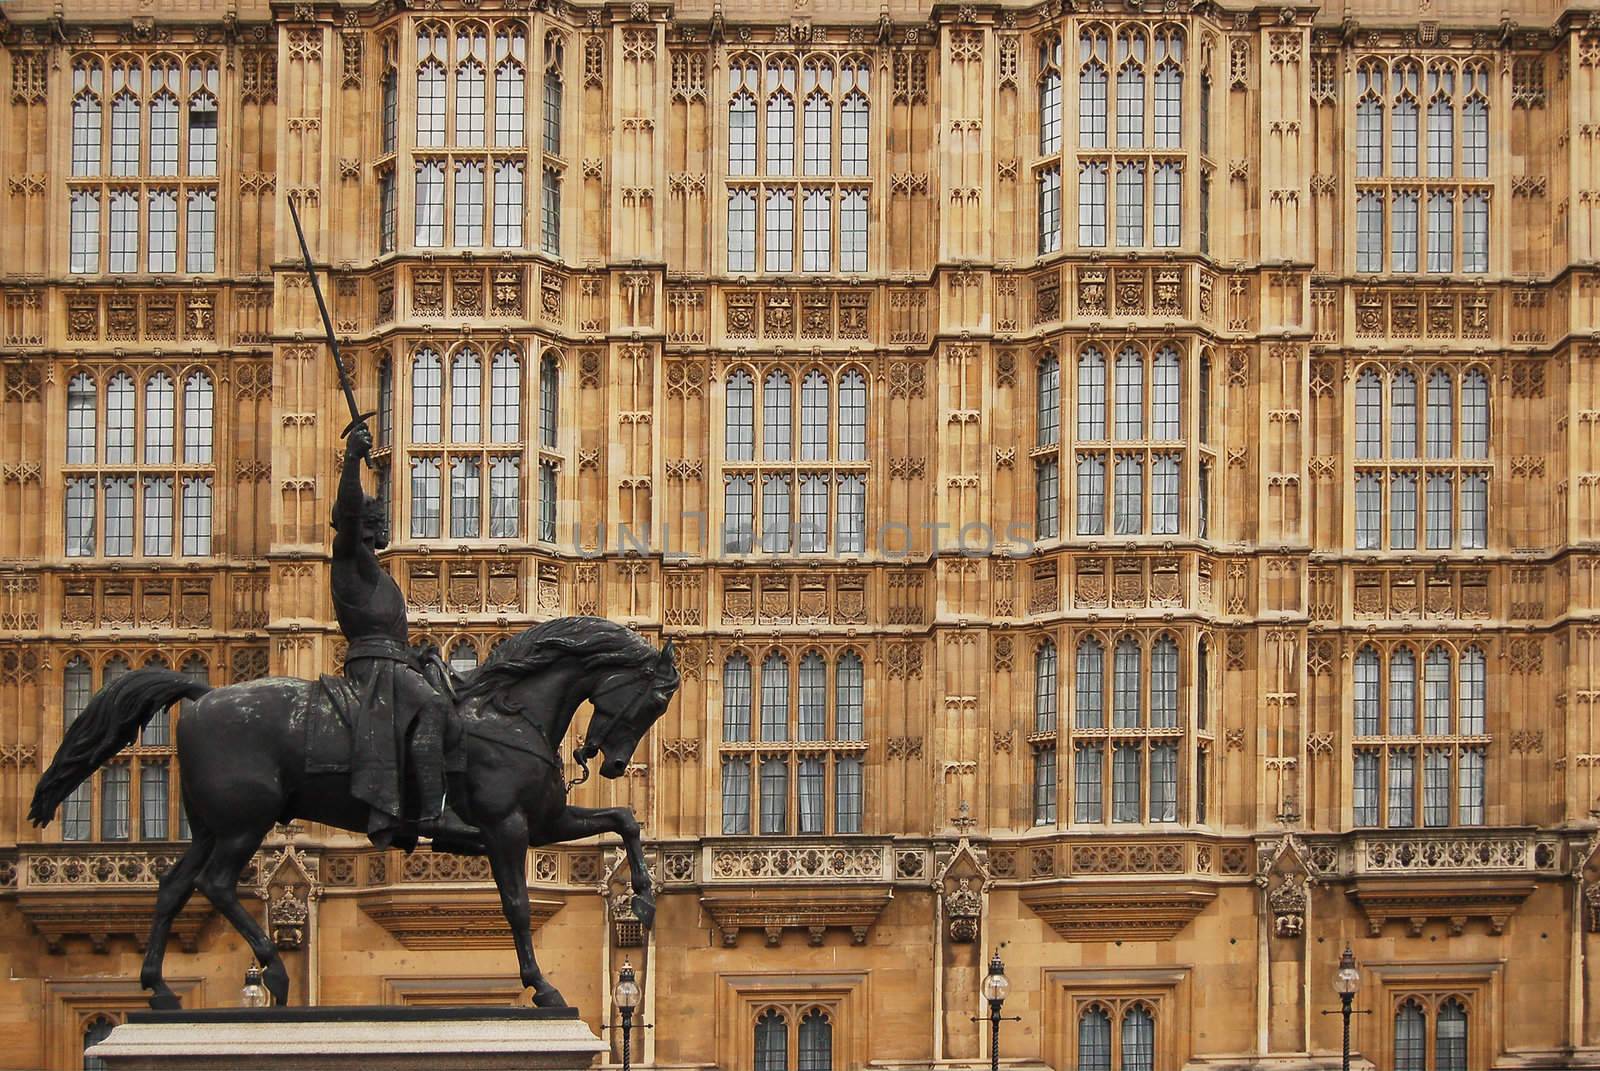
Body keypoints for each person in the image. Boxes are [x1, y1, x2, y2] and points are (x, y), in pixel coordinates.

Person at [332, 423, 477, 849]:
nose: (384, 525)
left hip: (392, 661)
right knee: (432, 707)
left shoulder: (373, 570)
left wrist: (417, 655)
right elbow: (350, 509)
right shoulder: (350, 558)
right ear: (364, 527)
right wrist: (352, 459)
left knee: (449, 694)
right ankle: (436, 813)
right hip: (374, 667)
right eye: (378, 520)